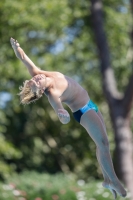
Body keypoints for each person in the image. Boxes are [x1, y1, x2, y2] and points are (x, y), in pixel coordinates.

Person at [10, 37, 126, 199]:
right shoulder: (53, 95)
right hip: (83, 112)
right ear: (41, 92)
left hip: (90, 103)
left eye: (33, 79)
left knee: (101, 143)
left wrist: (17, 49)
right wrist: (62, 115)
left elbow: (24, 58)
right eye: (36, 83)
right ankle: (114, 180)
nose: (36, 79)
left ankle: (107, 179)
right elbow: (59, 110)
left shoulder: (39, 73)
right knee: (104, 144)